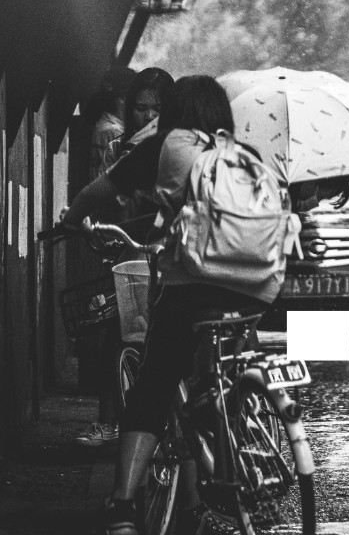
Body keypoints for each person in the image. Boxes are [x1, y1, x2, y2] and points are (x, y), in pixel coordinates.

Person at [60, 75, 287, 535]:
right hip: (257, 288)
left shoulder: (166, 145)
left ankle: (123, 504)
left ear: (176, 111)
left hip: (195, 286)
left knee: (155, 384)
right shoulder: (245, 155)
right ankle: (222, 416)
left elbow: (96, 193)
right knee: (217, 367)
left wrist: (72, 219)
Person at [72, 65, 135, 448]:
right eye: (141, 105)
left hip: (131, 247)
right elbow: (102, 191)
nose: (148, 114)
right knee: (115, 333)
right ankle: (111, 421)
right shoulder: (116, 138)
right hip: (120, 244)